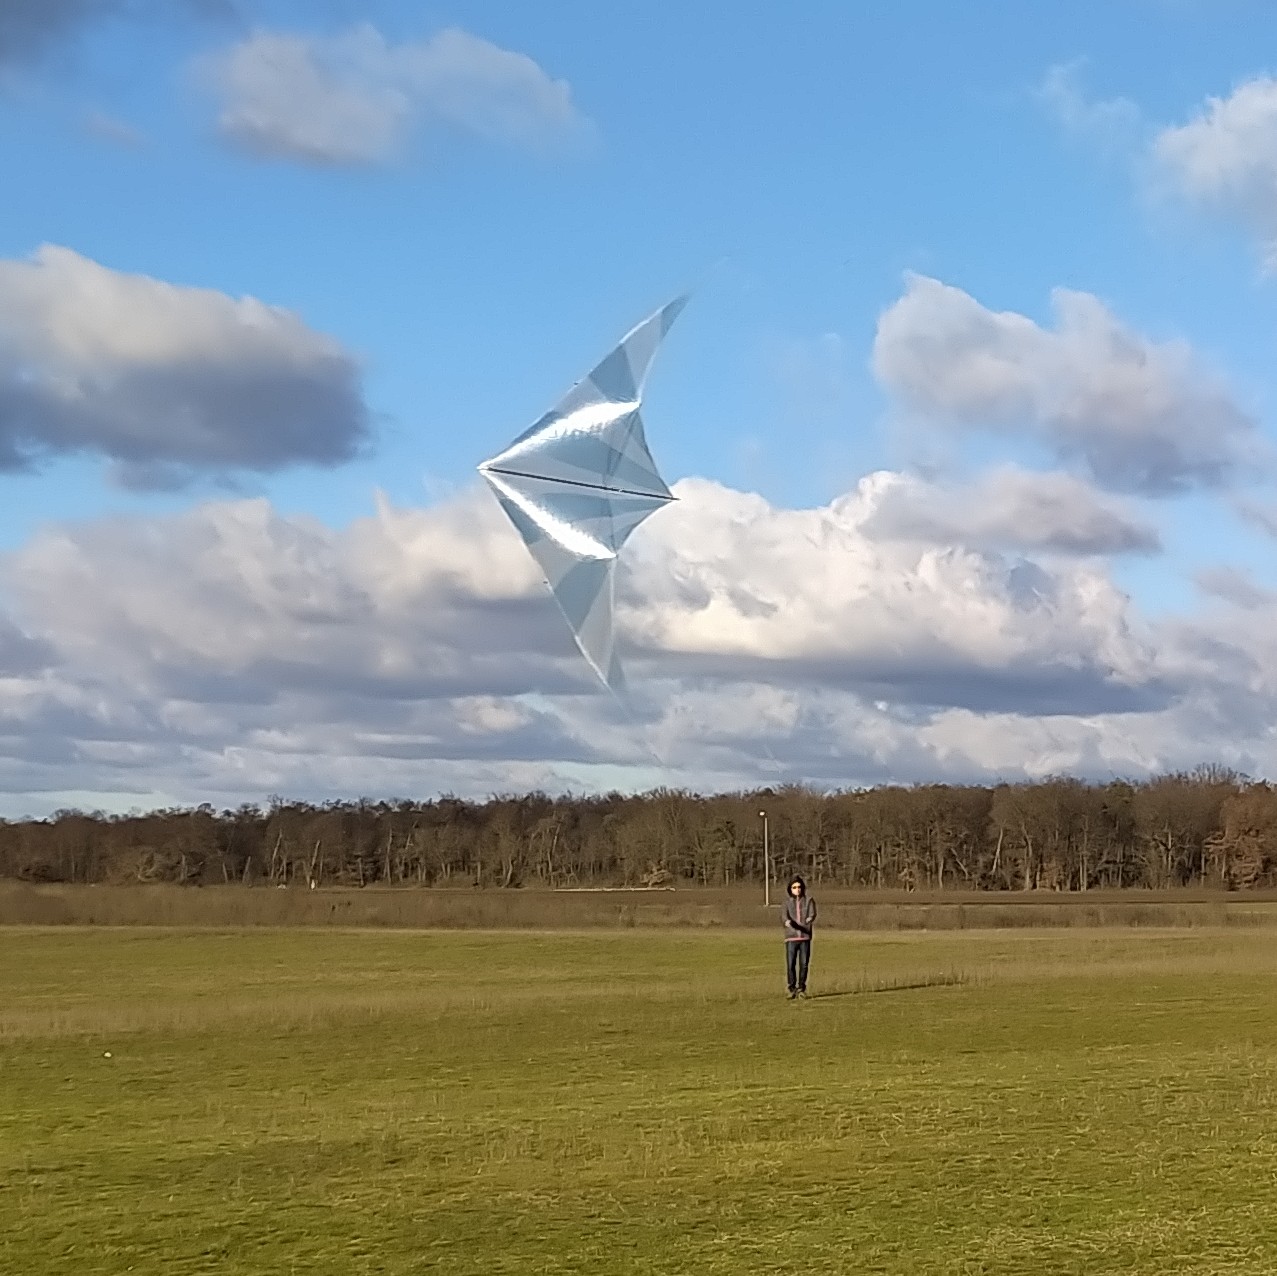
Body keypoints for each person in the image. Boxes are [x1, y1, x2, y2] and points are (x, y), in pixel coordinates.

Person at [783, 875, 816, 998]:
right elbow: (784, 916)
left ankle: (801, 988)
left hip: (805, 938)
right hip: (791, 938)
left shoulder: (809, 900)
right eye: (794, 887)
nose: (797, 889)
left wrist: (809, 919)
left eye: (799, 887)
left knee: (804, 964)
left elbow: (812, 913)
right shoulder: (786, 903)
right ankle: (791, 989)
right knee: (790, 964)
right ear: (790, 889)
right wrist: (787, 922)